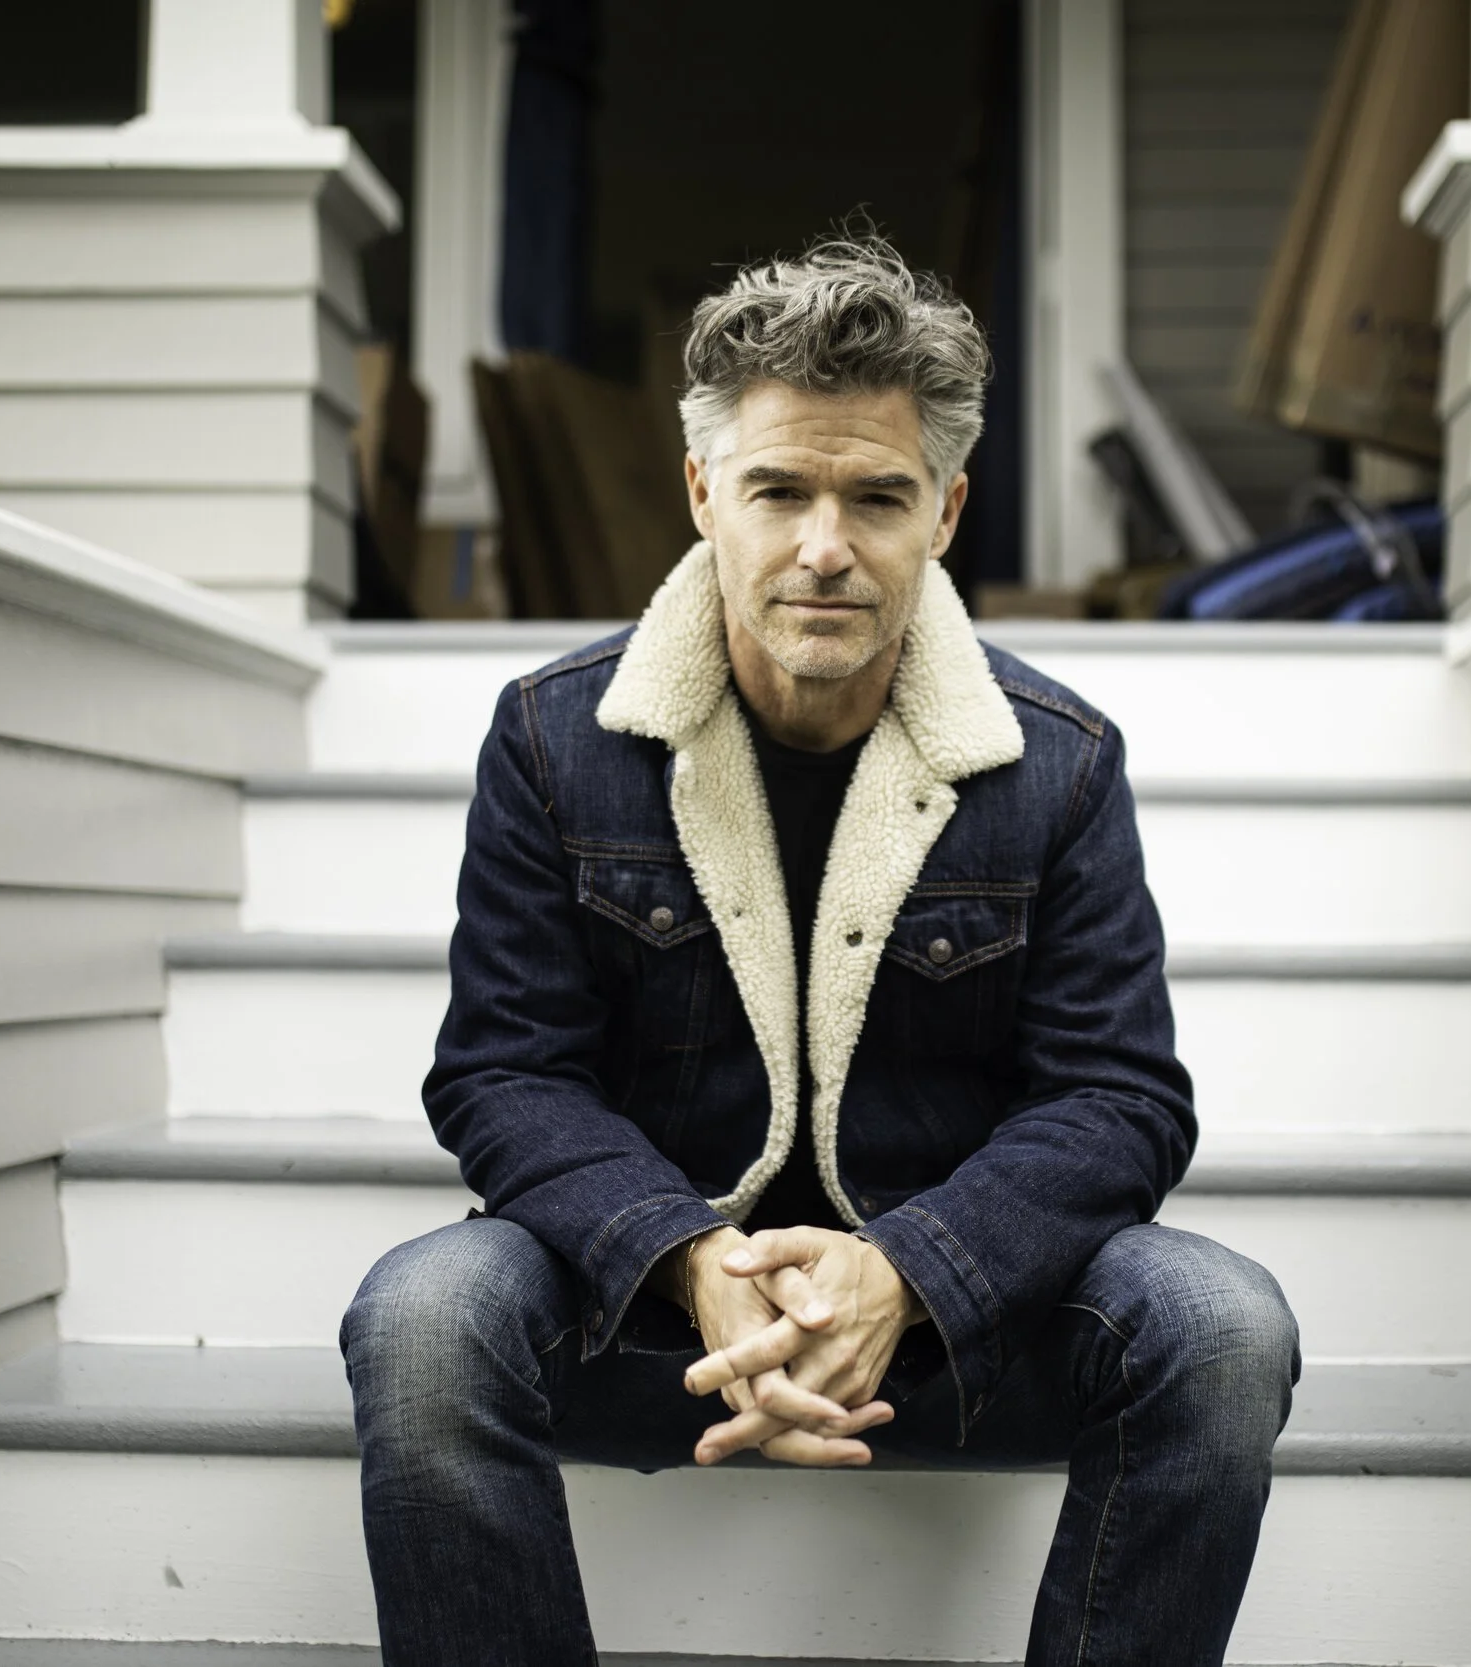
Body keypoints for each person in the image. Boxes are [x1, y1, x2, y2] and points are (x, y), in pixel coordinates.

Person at [341, 235, 1298, 1666]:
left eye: (877, 495)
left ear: (949, 511)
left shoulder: (1057, 761)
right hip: (655, 1312)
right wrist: (685, 1255)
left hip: (951, 1324)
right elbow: (502, 1073)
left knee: (1220, 1328)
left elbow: (1121, 1100)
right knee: (424, 1318)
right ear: (703, 495)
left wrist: (909, 1269)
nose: (824, 546)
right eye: (779, 489)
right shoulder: (553, 738)